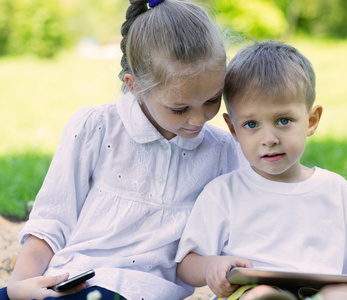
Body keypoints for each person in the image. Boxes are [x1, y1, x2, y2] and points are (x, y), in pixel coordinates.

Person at [1, 0, 246, 299]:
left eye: (212, 100)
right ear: (135, 86)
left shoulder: (223, 151)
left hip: (146, 292)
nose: (198, 119)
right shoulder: (96, 127)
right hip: (74, 281)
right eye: (179, 108)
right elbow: (53, 219)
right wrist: (20, 286)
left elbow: (240, 232)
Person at [175, 41, 347, 300]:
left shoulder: (335, 190)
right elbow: (186, 264)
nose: (269, 138)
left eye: (283, 121)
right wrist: (212, 267)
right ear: (233, 130)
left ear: (311, 120)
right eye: (252, 124)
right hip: (249, 291)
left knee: (344, 293)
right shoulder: (224, 192)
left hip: (317, 292)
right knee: (261, 295)